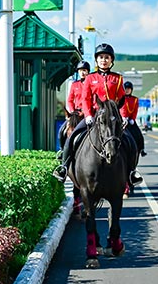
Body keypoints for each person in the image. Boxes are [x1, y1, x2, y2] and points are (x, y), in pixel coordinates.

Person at [53, 43, 142, 185]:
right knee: (74, 136)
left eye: (107, 57)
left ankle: (131, 172)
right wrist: (88, 115)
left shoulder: (117, 79)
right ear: (96, 60)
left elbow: (121, 99)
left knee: (130, 141)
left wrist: (123, 116)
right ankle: (63, 167)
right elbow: (85, 98)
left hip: (112, 117)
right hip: (93, 115)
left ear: (111, 60)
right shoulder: (90, 78)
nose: (104, 60)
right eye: (101, 57)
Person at [58, 60, 90, 149]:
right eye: (80, 71)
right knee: (62, 130)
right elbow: (70, 100)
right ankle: (63, 150)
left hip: (87, 114)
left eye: (84, 70)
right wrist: (72, 111)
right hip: (76, 113)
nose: (82, 72)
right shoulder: (74, 85)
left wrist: (86, 112)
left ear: (88, 71)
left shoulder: (91, 85)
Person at [120, 81, 147, 157]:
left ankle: (141, 149)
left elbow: (135, 110)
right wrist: (123, 117)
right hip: (121, 120)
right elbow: (122, 108)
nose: (127, 90)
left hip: (130, 120)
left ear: (131, 90)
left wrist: (132, 119)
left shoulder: (135, 99)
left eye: (129, 89)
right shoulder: (120, 98)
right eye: (126, 89)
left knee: (138, 134)